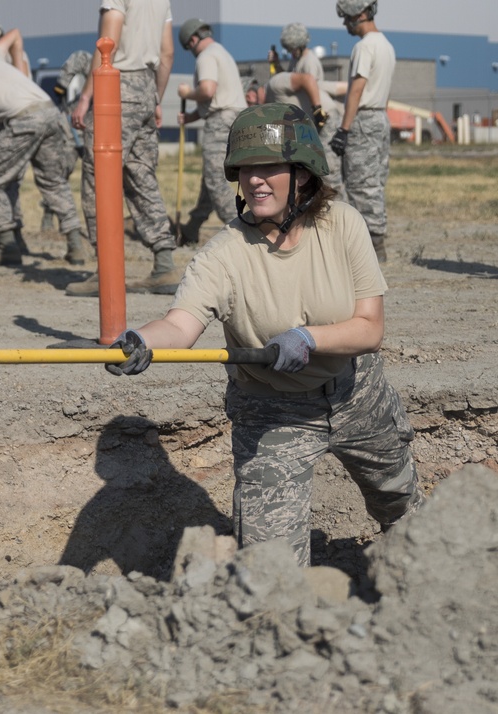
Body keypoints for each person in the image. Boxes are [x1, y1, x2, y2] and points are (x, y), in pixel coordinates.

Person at [105, 103, 424, 566]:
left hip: (357, 394)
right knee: (269, 567)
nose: (255, 179)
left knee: (403, 510)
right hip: (274, 412)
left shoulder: (342, 225)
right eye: (246, 168)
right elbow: (180, 325)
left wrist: (307, 338)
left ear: (305, 174)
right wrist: (140, 341)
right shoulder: (224, 254)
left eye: (270, 166)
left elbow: (369, 329)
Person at [66, 0, 180, 298]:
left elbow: (108, 45)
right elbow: (167, 53)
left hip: (116, 87)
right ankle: (164, 262)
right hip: (146, 86)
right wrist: (155, 98)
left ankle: (106, 271)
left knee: (98, 176)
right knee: (142, 176)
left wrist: (86, 97)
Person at [0, 17, 86, 267]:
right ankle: (76, 245)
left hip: (23, 120)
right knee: (52, 181)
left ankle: (7, 245)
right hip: (49, 111)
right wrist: (23, 77)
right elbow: (16, 33)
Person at [330, 0, 394, 263]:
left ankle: (373, 248)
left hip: (363, 119)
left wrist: (344, 129)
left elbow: (357, 89)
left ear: (363, 14)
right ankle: (376, 243)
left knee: (361, 184)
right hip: (380, 117)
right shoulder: (386, 45)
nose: (346, 23)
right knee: (375, 181)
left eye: (348, 18)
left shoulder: (364, 46)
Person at [175, 18, 246, 246]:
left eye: (189, 48)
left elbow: (207, 91)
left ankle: (241, 233)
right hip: (235, 120)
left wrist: (187, 93)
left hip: (220, 123)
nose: (192, 52)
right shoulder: (222, 52)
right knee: (210, 179)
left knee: (217, 180)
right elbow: (217, 99)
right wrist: (190, 117)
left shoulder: (206, 56)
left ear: (193, 40)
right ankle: (192, 228)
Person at [254, 71, 345, 199]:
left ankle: (340, 212)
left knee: (328, 174)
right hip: (314, 127)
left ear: (258, 89)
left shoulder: (274, 84)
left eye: (251, 95)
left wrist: (317, 109)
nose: (252, 102)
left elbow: (307, 78)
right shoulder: (271, 106)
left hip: (325, 120)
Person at [42, 49, 90, 235]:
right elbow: (78, 59)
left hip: (103, 127)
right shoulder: (94, 60)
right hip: (77, 123)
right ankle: (49, 211)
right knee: (61, 170)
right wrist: (61, 88)